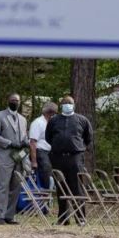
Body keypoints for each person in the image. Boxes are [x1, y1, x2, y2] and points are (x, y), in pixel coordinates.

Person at [43, 93, 93, 224]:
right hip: (58, 157)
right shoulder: (54, 120)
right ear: (61, 106)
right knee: (61, 187)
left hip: (75, 157)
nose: (67, 105)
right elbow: (48, 137)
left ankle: (80, 218)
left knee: (77, 187)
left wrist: (77, 146)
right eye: (65, 104)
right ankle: (63, 218)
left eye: (69, 103)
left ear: (74, 105)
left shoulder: (82, 120)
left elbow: (88, 138)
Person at [0, 92, 29, 225]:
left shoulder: (23, 119)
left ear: (20, 102)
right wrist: (10, 143)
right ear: (8, 101)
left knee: (16, 187)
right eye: (12, 100)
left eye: (17, 100)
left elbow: (24, 137)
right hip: (5, 157)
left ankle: (9, 216)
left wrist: (25, 142)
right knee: (3, 186)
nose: (15, 102)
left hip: (19, 157)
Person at [27, 100, 56, 215]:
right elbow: (32, 143)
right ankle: (43, 206)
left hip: (49, 152)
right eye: (53, 113)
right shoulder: (37, 123)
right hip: (40, 152)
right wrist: (34, 161)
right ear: (49, 113)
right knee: (44, 178)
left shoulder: (51, 123)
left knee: (50, 179)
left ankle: (46, 204)